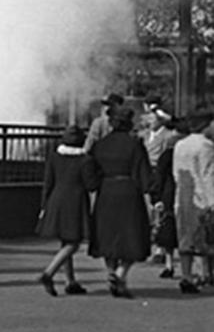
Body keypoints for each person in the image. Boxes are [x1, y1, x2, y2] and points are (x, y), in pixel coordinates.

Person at [83, 105, 151, 298]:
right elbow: (143, 172)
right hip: (129, 191)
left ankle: (111, 272)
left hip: (106, 191)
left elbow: (89, 168)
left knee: (107, 236)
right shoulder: (134, 144)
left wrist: (94, 185)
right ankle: (121, 274)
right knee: (133, 235)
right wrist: (150, 193)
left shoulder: (100, 144)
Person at [37, 126, 91, 295]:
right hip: (75, 202)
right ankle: (49, 272)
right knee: (73, 243)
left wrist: (43, 206)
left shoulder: (54, 157)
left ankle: (70, 280)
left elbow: (48, 183)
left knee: (65, 241)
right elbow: (91, 184)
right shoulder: (85, 160)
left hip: (56, 199)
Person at [171, 110, 214, 294]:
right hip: (201, 197)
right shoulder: (206, 146)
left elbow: (175, 173)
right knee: (206, 239)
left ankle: (186, 275)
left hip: (182, 195)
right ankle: (205, 274)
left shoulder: (180, 144)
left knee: (185, 238)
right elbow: (207, 175)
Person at [150, 117, 183, 284]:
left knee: (169, 228)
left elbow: (159, 177)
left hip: (169, 194)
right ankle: (193, 269)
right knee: (188, 230)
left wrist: (156, 197)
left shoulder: (167, 154)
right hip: (185, 193)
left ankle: (170, 264)